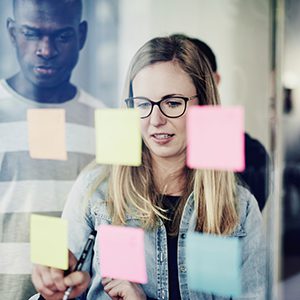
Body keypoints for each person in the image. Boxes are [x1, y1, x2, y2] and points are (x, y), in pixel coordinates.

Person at [31, 35, 266, 300]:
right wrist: (53, 292)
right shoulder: (96, 190)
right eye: (143, 104)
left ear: (205, 105)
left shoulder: (239, 206)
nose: (156, 120)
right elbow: (59, 285)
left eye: (173, 103)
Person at [0, 0, 105, 299]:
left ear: (81, 35)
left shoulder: (105, 123)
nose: (46, 50)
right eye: (31, 33)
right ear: (11, 32)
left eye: (62, 36)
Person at [170, 33, 271, 212]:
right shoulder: (150, 144)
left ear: (214, 81)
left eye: (194, 79)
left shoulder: (252, 154)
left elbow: (240, 221)